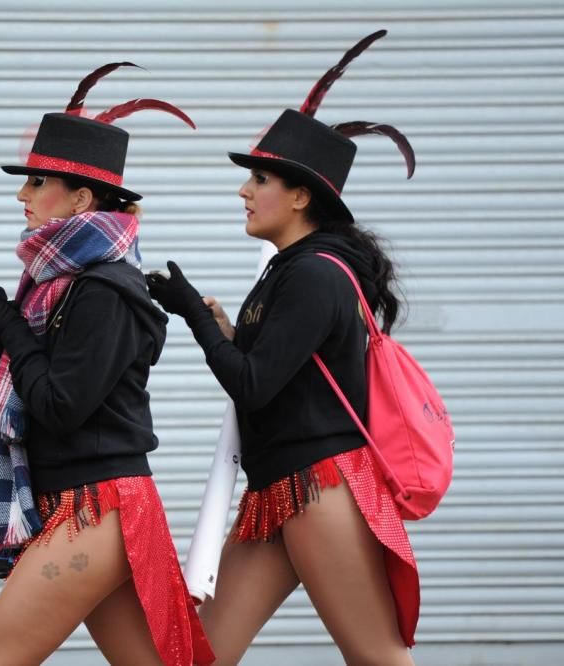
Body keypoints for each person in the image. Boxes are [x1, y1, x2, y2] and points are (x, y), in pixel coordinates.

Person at [147, 31, 420, 665]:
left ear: (301, 197)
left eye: (260, 179)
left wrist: (196, 317)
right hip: (279, 492)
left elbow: (253, 384)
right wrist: (221, 322)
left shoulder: (317, 273)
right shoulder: (291, 268)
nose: (244, 191)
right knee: (196, 655)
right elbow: (284, 366)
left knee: (377, 657)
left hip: (319, 489)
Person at [0, 64, 213, 666]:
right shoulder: (64, 285)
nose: (21, 196)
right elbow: (55, 383)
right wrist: (8, 337)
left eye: (37, 182)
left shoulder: (104, 290)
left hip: (96, 505)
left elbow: (60, 405)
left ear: (80, 199)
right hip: (88, 500)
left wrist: (12, 331)